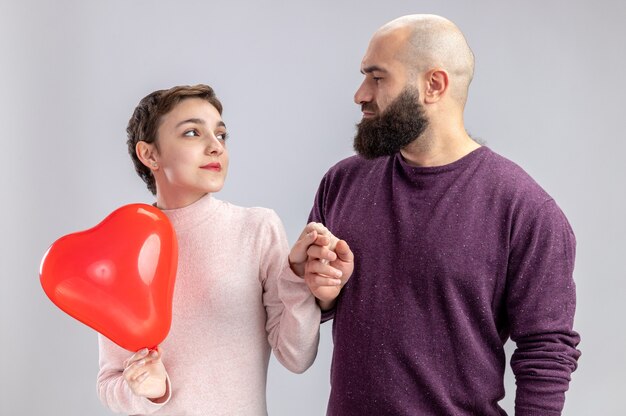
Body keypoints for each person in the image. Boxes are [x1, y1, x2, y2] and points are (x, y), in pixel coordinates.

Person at [304, 14, 581, 416]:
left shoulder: (525, 210)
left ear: (434, 85)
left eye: (377, 77)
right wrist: (316, 289)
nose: (360, 94)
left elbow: (546, 351)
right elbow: (314, 305)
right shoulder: (342, 182)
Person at [97, 84, 336, 415]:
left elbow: (297, 357)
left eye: (221, 135)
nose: (215, 147)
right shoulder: (126, 249)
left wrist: (295, 278)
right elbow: (109, 378)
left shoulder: (256, 228)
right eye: (193, 133)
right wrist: (145, 391)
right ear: (150, 154)